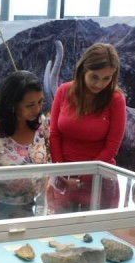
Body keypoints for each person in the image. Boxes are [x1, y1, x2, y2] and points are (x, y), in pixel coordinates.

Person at [48, 43, 127, 213]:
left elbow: (112, 147)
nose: (99, 84)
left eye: (107, 78)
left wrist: (83, 175)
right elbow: (54, 135)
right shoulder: (64, 91)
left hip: (99, 179)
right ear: (83, 70)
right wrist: (63, 172)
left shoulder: (116, 99)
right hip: (64, 177)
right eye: (94, 77)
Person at [0, 71, 50, 219]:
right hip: (1, 207)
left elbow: (48, 165)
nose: (37, 109)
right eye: (29, 105)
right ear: (12, 104)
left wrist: (43, 209)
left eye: (40, 102)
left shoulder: (42, 123)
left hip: (35, 205)